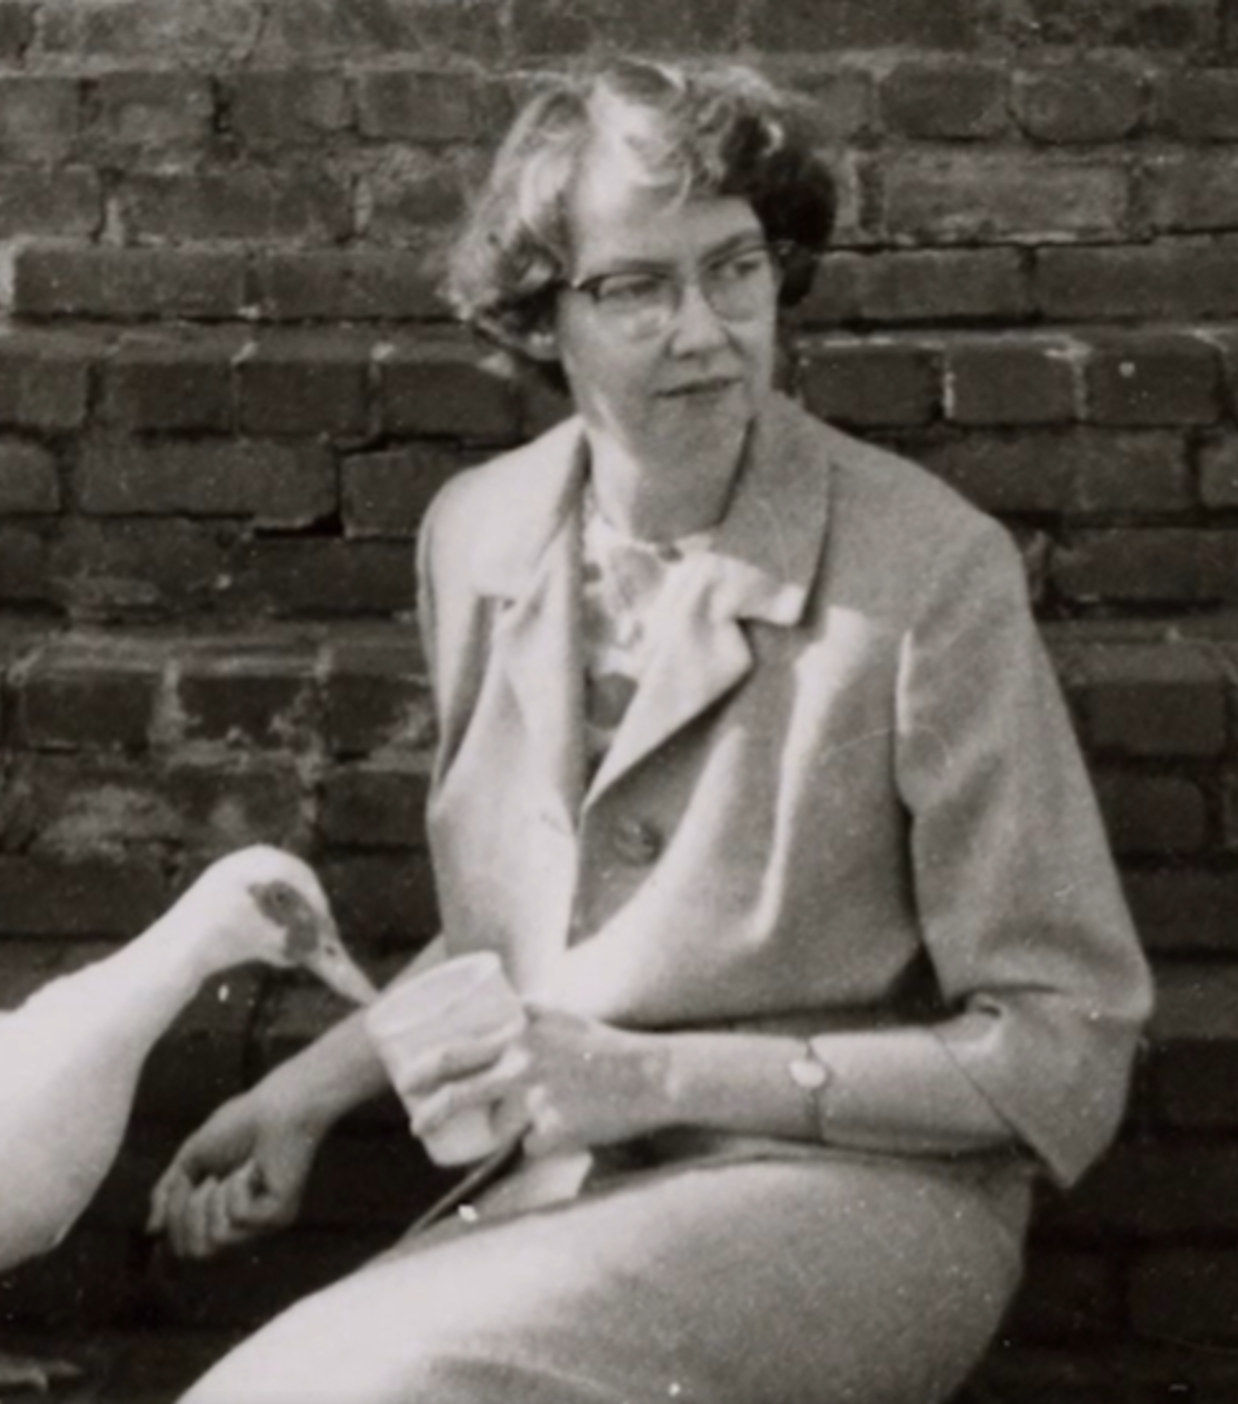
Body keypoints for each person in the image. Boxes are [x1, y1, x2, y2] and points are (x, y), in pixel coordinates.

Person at [145, 56, 1154, 1404]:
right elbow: (531, 925)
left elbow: (1062, 1045)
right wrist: (315, 1091)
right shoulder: (480, 532)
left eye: (734, 269)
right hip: (569, 1185)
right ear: (533, 312)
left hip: (855, 1196)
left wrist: (656, 1075)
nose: (704, 328)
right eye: (635, 286)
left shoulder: (925, 568)